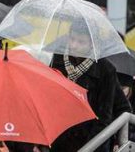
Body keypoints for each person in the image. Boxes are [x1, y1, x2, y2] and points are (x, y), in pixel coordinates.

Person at [50, 21, 123, 152]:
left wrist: (90, 147)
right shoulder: (58, 59)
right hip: (60, 137)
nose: (74, 46)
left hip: (90, 141)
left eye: (81, 42)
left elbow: (104, 116)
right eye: (72, 39)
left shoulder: (105, 70)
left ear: (92, 44)